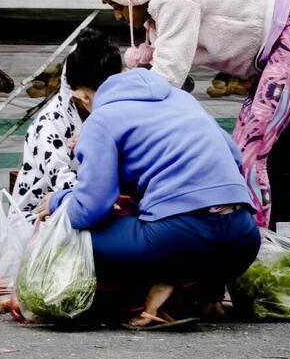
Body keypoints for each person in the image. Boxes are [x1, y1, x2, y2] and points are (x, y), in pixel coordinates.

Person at [94, 0, 290, 228]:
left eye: (117, 5)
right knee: (240, 145)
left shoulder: (173, 0)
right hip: (279, 45)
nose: (118, 17)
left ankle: (253, 242)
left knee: (250, 148)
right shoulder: (160, 14)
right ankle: (239, 232)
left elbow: (167, 80)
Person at [39, 29, 260, 328]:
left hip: (176, 240)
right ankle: (204, 293)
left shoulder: (102, 119)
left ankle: (149, 288)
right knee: (188, 226)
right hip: (243, 239)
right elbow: (233, 158)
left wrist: (58, 201)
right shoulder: (181, 98)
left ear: (82, 96)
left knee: (73, 231)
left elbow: (91, 208)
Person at [11, 74, 84, 224]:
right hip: (37, 220)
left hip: (73, 211)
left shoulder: (95, 116)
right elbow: (59, 177)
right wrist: (96, 200)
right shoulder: (50, 122)